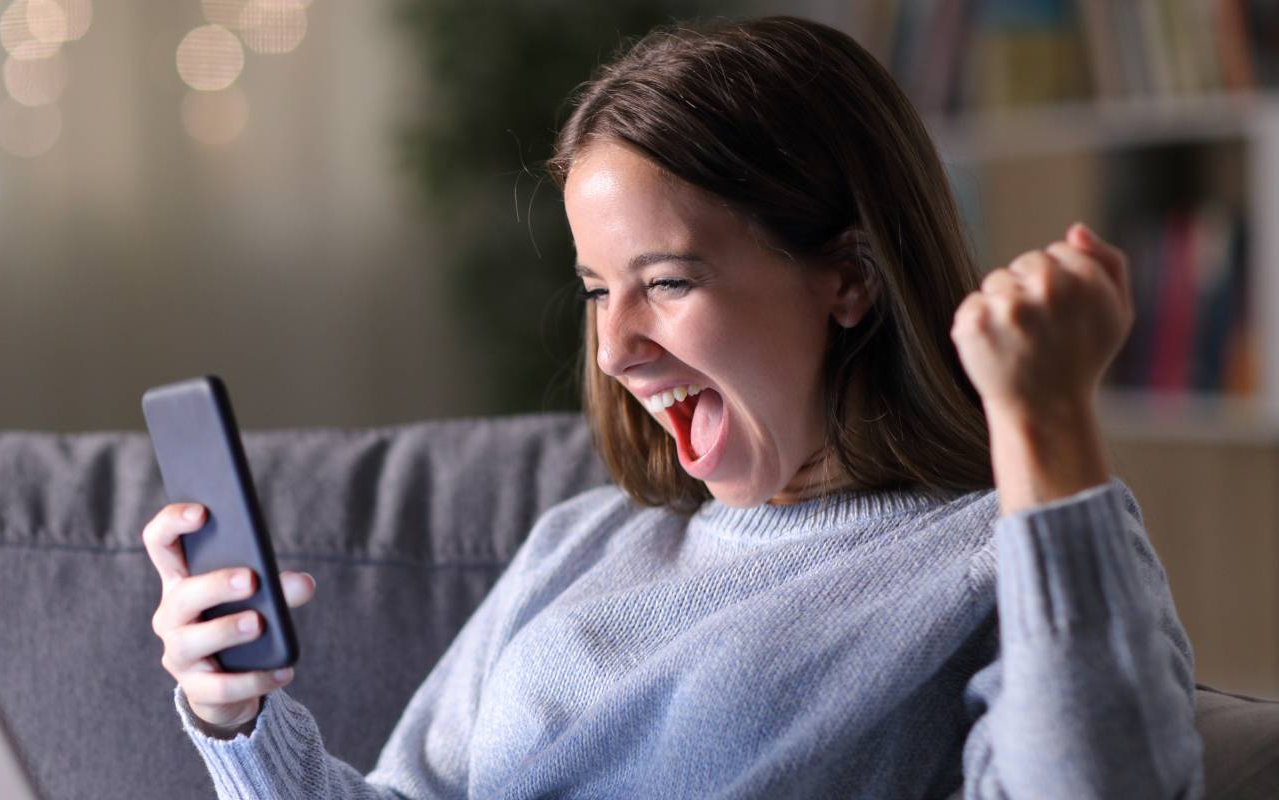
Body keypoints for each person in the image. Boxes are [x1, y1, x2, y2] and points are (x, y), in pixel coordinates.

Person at [141, 15, 1204, 798]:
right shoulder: (585, 539)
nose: (614, 347)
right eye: (599, 287)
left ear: (849, 278)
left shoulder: (988, 556)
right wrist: (237, 720)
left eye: (671, 282)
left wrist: (1046, 424)